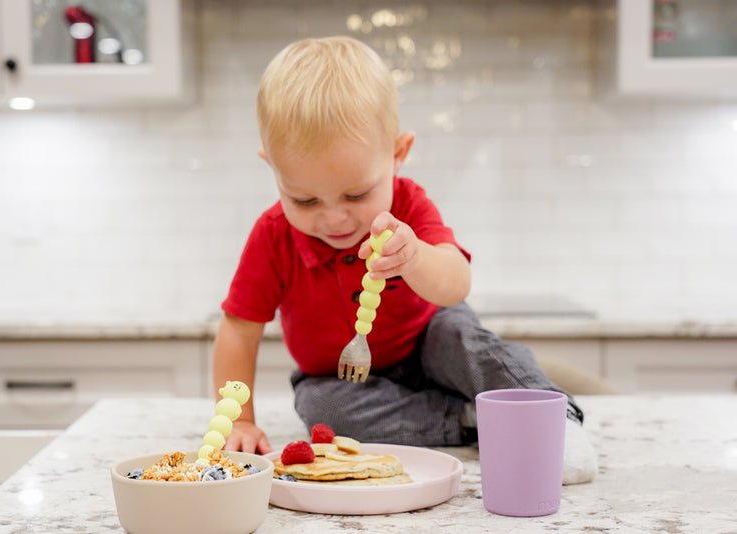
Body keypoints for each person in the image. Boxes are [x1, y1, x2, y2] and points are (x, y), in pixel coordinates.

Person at [212, 36, 596, 484]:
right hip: (342, 378)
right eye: (304, 199)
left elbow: (456, 285)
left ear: (398, 155)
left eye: (356, 194)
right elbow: (239, 330)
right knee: (321, 410)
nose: (334, 219)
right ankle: (471, 419)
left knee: (459, 335)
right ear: (273, 169)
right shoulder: (273, 235)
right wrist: (238, 420)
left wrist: (415, 259)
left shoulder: (410, 205)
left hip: (426, 342)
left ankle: (552, 420)